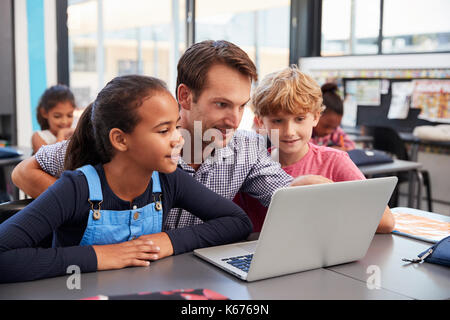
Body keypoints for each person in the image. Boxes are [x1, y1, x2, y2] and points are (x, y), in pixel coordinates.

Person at [12, 40, 297, 230]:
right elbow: (24, 172)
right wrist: (91, 215)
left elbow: (288, 198)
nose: (235, 120)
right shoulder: (135, 140)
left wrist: (315, 189)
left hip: (189, 274)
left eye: (242, 106)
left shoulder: (248, 148)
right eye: (221, 104)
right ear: (185, 96)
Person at [0, 75, 252, 283]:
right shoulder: (76, 189)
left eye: (176, 127)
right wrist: (100, 256)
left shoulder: (168, 179)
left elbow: (237, 222)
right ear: (120, 139)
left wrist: (168, 241)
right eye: (164, 131)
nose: (178, 139)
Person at [234, 66, 395, 233]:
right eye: (277, 121)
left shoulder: (335, 161)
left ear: (316, 117)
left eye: (299, 119)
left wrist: (336, 194)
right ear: (260, 122)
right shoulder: (251, 165)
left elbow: (386, 222)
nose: (289, 131)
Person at [31, 85, 76, 154]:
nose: (64, 121)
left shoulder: (73, 135)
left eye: (69, 115)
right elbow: (52, 162)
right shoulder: (38, 137)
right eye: (57, 116)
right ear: (44, 113)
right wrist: (61, 135)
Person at [310, 83, 355, 151]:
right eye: (326, 126)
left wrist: (342, 149)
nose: (329, 131)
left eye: (334, 127)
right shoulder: (306, 132)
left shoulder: (334, 131)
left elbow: (351, 145)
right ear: (315, 115)